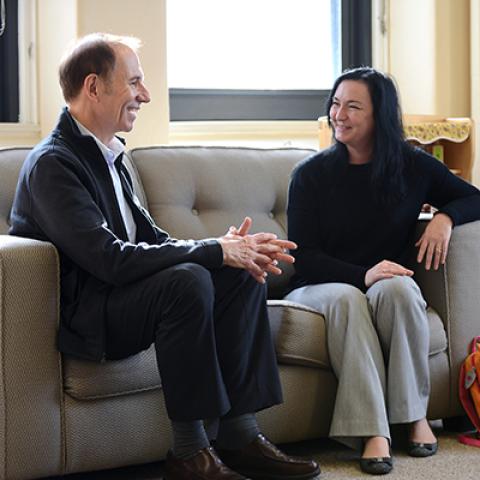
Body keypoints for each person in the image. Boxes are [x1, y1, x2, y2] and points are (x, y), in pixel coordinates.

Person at [9, 33, 320, 480]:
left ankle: (240, 435)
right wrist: (212, 251)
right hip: (91, 316)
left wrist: (227, 249)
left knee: (240, 271)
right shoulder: (54, 165)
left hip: (124, 299)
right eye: (134, 82)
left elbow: (150, 239)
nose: (145, 95)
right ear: (93, 87)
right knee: (188, 280)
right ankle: (189, 453)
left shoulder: (111, 155)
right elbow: (110, 259)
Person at [285, 66, 480, 475]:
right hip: (319, 285)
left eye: (353, 106)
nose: (339, 114)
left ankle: (414, 416)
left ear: (380, 116)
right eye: (336, 104)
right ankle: (372, 430)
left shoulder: (412, 166)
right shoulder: (311, 175)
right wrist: (363, 275)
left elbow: (473, 198)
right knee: (349, 297)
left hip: (383, 283)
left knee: (403, 290)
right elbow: (304, 257)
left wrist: (444, 217)